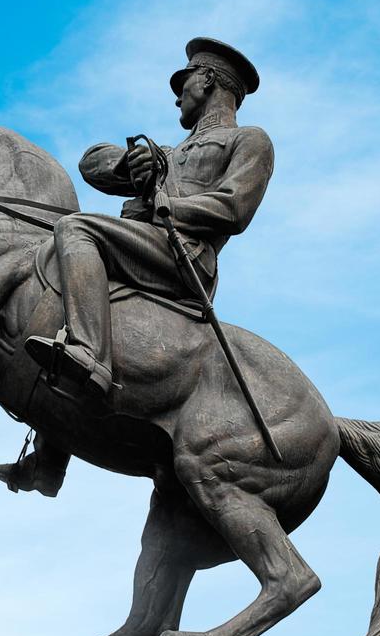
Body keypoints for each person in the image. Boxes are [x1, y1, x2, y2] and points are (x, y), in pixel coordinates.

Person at [23, 37, 274, 403]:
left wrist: (164, 205)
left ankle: (90, 355)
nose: (177, 96)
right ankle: (49, 456)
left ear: (206, 79)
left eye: (182, 82)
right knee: (61, 289)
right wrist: (129, 163)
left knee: (76, 228)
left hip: (185, 256)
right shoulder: (168, 155)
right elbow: (90, 164)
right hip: (146, 246)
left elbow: (234, 208)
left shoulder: (250, 140)